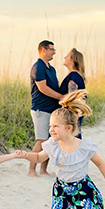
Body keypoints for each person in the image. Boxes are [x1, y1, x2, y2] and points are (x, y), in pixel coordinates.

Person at [29, 40, 63, 177]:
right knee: (41, 141)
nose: (54, 52)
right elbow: (43, 88)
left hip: (52, 110)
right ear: (43, 49)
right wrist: (61, 96)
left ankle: (43, 170)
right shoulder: (38, 67)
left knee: (50, 142)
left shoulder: (52, 69)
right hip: (40, 110)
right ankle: (31, 170)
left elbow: (54, 87)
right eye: (51, 49)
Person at [60, 48, 86, 139]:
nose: (64, 57)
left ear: (72, 59)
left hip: (73, 113)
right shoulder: (76, 75)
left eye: (67, 56)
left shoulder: (73, 76)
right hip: (76, 112)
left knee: (73, 138)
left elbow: (72, 97)